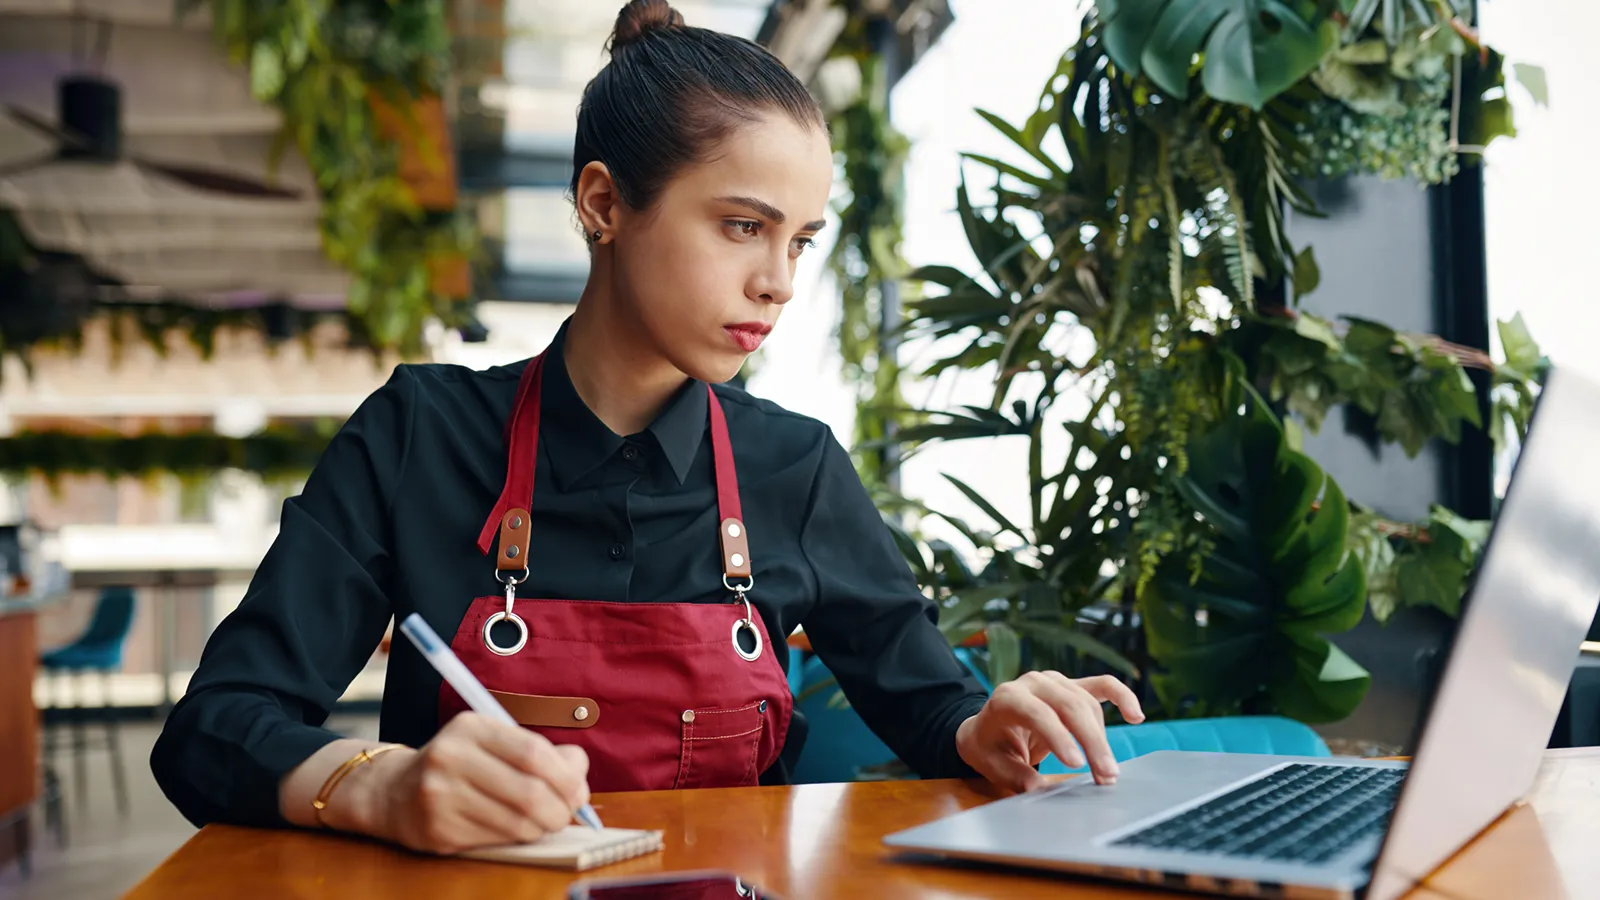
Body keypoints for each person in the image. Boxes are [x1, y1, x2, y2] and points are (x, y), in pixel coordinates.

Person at [149, 0, 1144, 856]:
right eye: (742, 226)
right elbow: (213, 729)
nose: (779, 282)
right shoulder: (419, 436)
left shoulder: (792, 467)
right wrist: (378, 786)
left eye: (799, 240)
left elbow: (929, 707)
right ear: (602, 204)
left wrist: (986, 725)